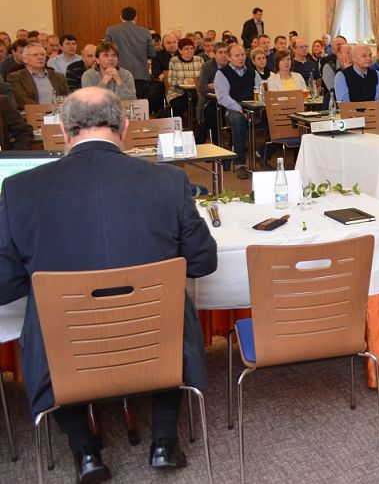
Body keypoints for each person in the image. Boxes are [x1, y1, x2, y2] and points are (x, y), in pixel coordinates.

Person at [0, 87, 218, 482]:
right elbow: (204, 262)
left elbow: (4, 286)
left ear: (64, 131)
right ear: (125, 128)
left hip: (69, 349)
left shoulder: (19, 190)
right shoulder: (169, 182)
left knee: (45, 316)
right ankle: (164, 441)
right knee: (173, 308)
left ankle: (85, 451)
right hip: (154, 338)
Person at [214, 43, 259, 179]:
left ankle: (264, 154)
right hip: (233, 110)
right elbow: (222, 97)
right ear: (229, 57)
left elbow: (260, 90)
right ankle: (240, 164)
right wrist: (239, 109)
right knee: (239, 120)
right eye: (237, 55)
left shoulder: (252, 72)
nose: (241, 58)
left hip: (254, 108)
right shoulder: (222, 73)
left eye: (243, 55)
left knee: (277, 116)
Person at [104, 6, 155, 100]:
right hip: (140, 74)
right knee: (137, 105)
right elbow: (152, 54)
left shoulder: (111, 30)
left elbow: (105, 51)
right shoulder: (145, 32)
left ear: (121, 17)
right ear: (136, 17)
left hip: (118, 73)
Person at [8, 42, 70, 108]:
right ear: (25, 59)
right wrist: (44, 109)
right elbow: (22, 99)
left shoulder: (58, 76)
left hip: (58, 113)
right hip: (33, 114)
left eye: (42, 55)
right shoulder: (16, 77)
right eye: (35, 55)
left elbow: (67, 97)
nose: (40, 57)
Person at [196, 42, 229, 146]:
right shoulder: (207, 66)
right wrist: (219, 90)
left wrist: (218, 87)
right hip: (210, 100)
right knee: (212, 112)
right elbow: (202, 88)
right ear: (214, 55)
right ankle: (216, 143)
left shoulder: (233, 65)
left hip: (229, 100)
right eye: (220, 52)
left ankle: (235, 143)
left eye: (226, 52)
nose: (224, 55)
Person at [167, 37, 203, 123]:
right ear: (180, 50)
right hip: (178, 92)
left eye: (191, 48)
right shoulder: (174, 61)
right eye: (186, 49)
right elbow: (171, 81)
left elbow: (203, 78)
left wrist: (196, 82)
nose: (189, 51)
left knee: (202, 105)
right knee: (178, 105)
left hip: (196, 92)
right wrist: (185, 82)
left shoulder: (199, 60)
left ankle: (198, 128)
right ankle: (177, 127)